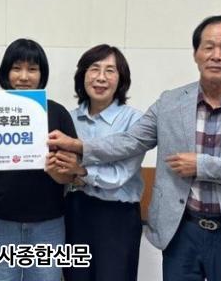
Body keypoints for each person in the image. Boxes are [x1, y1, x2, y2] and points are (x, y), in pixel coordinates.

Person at [49, 15, 221, 281]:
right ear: (196, 54)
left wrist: (202, 165)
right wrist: (79, 145)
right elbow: (131, 141)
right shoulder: (170, 102)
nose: (216, 56)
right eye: (208, 47)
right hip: (182, 229)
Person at [0, 38, 76, 281]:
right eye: (16, 68)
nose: (24, 77)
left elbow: (70, 175)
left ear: (42, 75)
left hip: (47, 225)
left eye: (32, 69)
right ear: (6, 72)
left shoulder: (58, 113)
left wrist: (56, 171)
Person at [50, 44, 144, 281]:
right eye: (94, 69)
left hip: (118, 217)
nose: (101, 77)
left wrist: (80, 171)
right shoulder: (68, 118)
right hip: (75, 212)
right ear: (82, 76)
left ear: (121, 79)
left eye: (110, 71)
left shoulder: (135, 121)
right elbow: (61, 169)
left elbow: (121, 174)